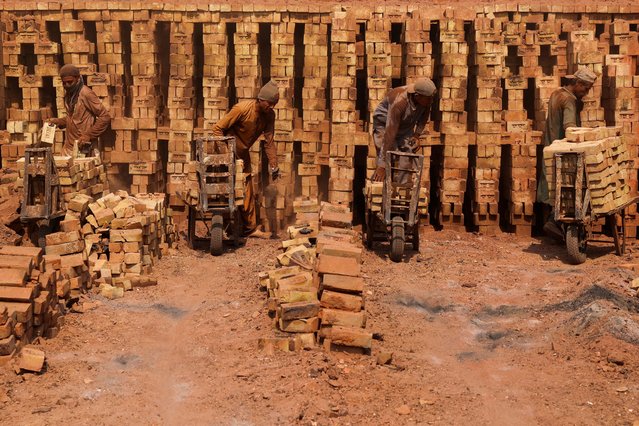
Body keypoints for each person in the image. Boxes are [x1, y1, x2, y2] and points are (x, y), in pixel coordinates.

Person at [212, 80, 280, 238]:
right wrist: (225, 155)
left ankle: (250, 229)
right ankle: (220, 227)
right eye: (269, 104)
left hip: (243, 154)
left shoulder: (269, 115)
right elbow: (217, 129)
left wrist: (274, 165)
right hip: (226, 151)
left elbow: (269, 142)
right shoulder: (242, 109)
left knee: (247, 186)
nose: (271, 107)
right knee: (224, 187)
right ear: (261, 100)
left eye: (274, 104)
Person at [538, 67, 597, 239]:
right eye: (585, 88)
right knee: (566, 188)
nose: (586, 93)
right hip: (562, 153)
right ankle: (553, 222)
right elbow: (569, 128)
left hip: (549, 147)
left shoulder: (557, 93)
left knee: (551, 186)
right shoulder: (569, 101)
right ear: (577, 83)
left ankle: (552, 222)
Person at [371, 77, 436, 182]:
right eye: (428, 99)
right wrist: (382, 165)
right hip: (384, 125)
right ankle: (380, 183)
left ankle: (402, 188)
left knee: (407, 153)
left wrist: (416, 135)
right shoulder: (400, 102)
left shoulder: (426, 100)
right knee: (389, 154)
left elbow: (423, 118)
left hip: (405, 127)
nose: (431, 101)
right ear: (417, 96)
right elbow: (390, 133)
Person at [48, 64, 111, 157]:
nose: (67, 85)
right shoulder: (69, 95)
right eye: (64, 83)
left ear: (78, 78)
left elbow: (105, 116)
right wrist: (58, 121)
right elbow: (74, 119)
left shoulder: (86, 93)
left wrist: (89, 135)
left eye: (70, 82)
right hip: (69, 148)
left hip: (84, 148)